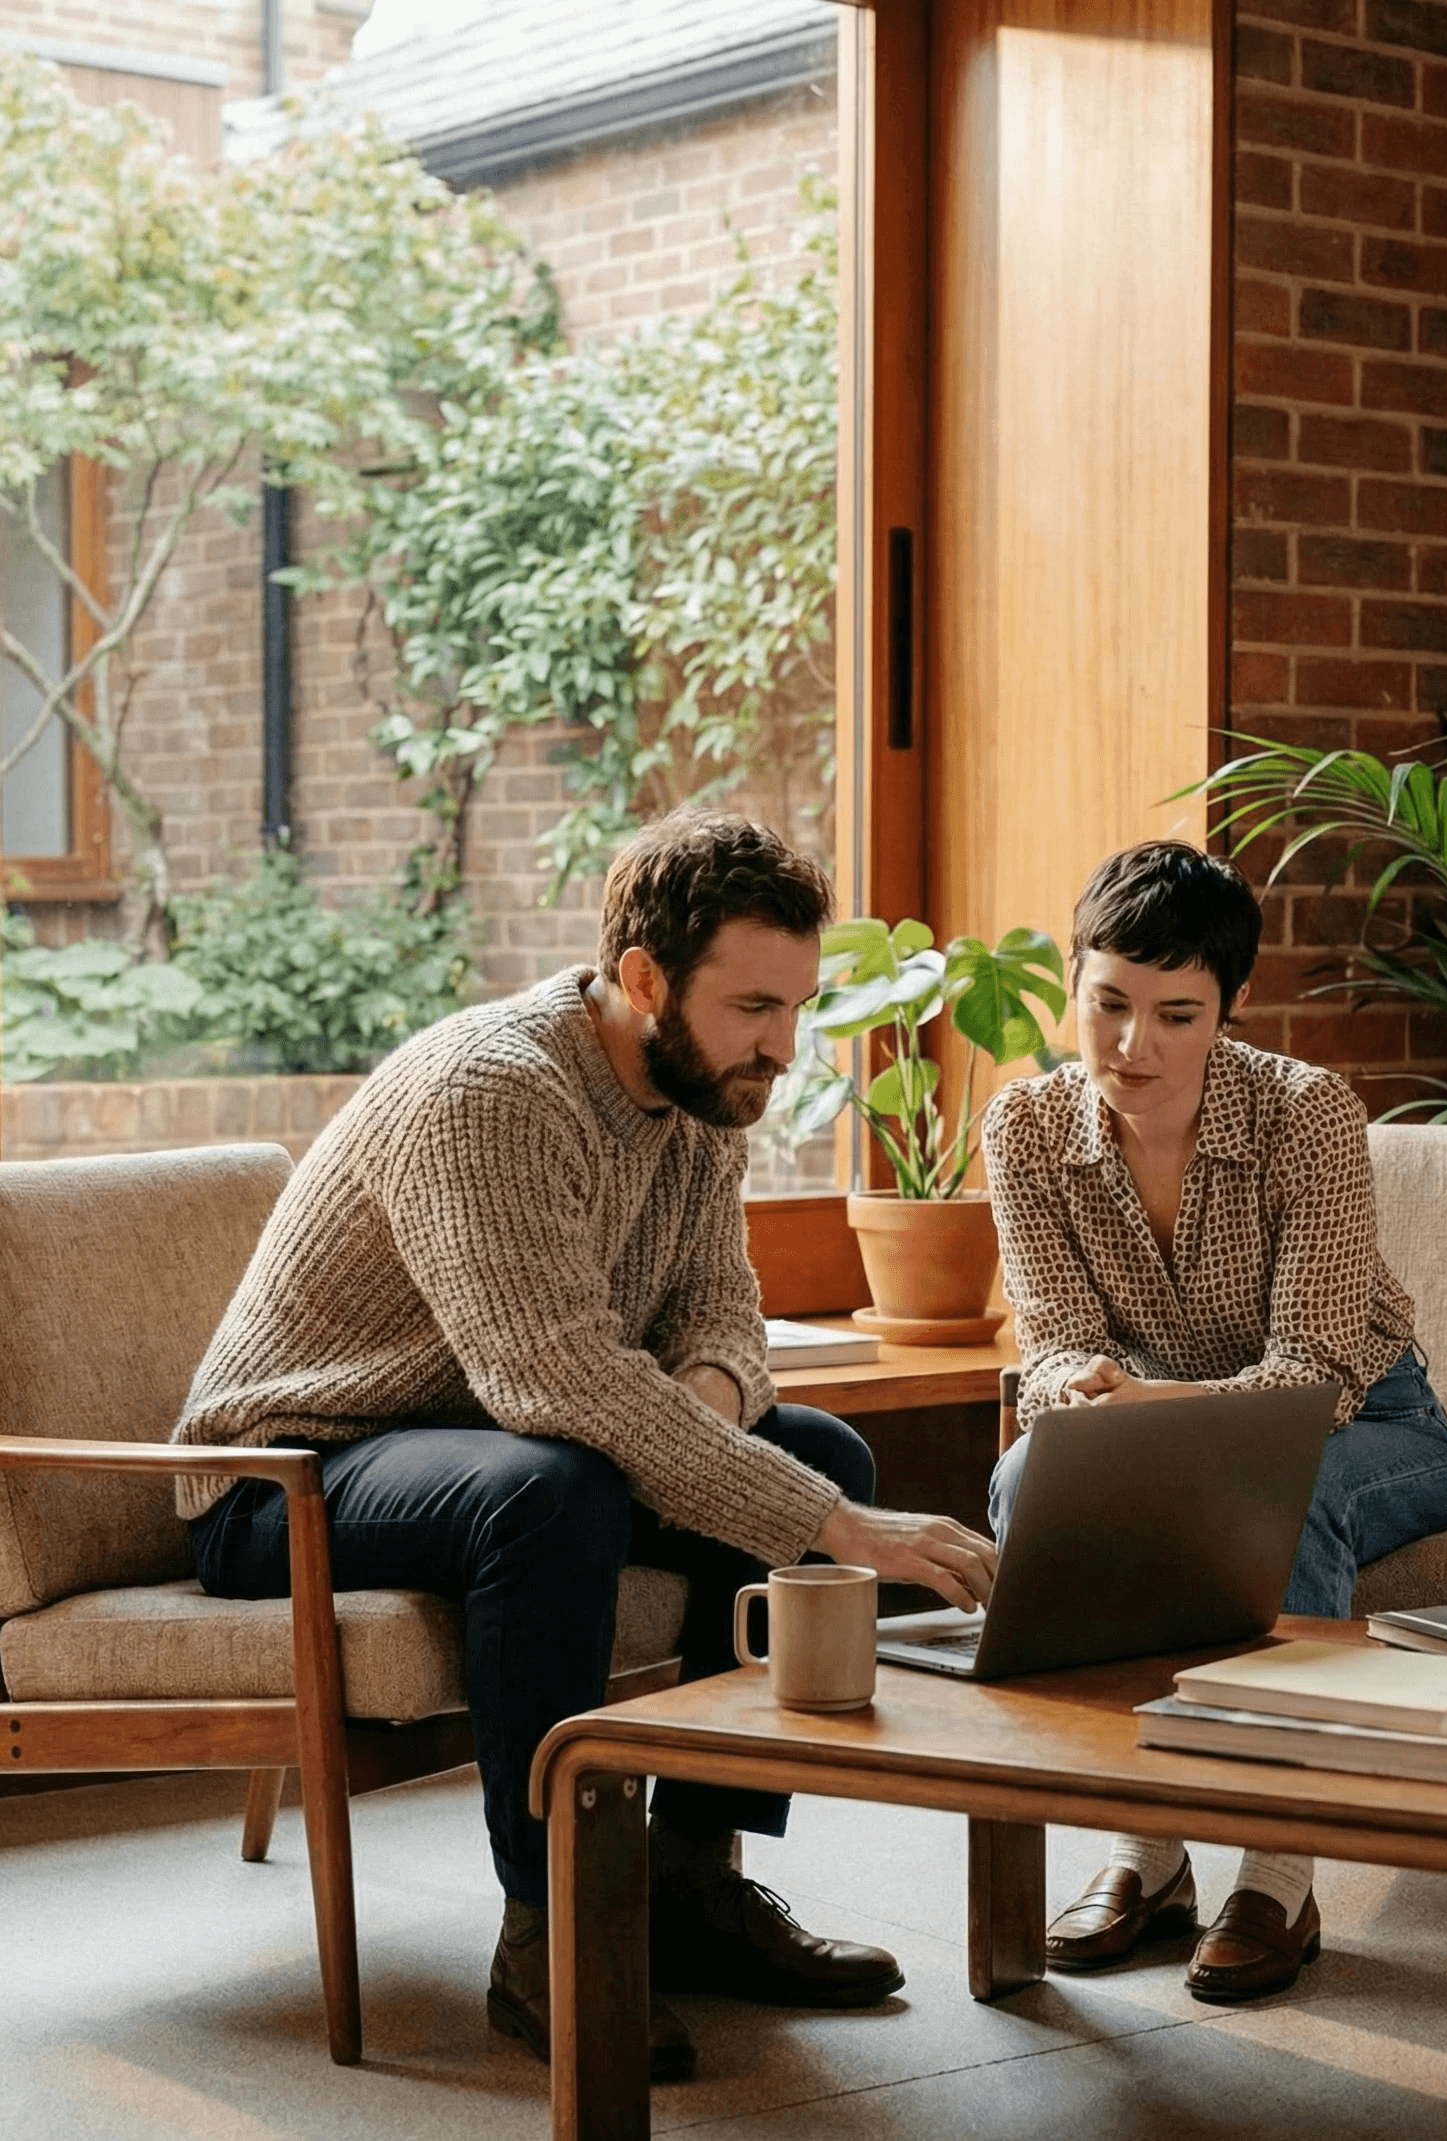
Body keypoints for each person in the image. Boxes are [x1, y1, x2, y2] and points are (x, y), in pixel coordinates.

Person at [174, 811, 997, 2082]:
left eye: (795, 1005)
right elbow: (550, 1376)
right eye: (753, 1005)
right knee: (559, 1489)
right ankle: (545, 1927)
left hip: (484, 1439)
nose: (783, 1046)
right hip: (289, 1470)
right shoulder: (493, 1091)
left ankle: (687, 1885)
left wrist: (713, 1436)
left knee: (814, 1452)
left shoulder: (701, 1090)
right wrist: (804, 1519)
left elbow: (721, 1315)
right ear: (644, 978)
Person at [982, 839, 1447, 2002]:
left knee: (1276, 1492)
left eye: (1175, 1013)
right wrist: (1083, 1399)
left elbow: (1309, 1371)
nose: (1131, 1045)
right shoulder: (1021, 1128)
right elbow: (1048, 1340)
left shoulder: (1306, 1111)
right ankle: (1145, 1849)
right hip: (1147, 1424)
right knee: (1018, 1488)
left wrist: (1149, 1408)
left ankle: (1274, 1868)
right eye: (1105, 1003)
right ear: (1071, 980)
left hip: (1370, 1421)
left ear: (1229, 1008)